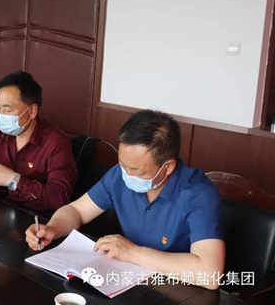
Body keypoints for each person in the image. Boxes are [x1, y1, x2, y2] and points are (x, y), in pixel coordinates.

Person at [25, 110, 225, 290]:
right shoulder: (119, 175)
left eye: (136, 170)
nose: (127, 174)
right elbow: (77, 211)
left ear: (168, 167)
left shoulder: (198, 194)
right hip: (126, 281)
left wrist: (133, 253)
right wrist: (52, 228)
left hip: (174, 289)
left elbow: (210, 274)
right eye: (122, 164)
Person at [0, 72, 77, 212]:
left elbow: (59, 198)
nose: (1, 115)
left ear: (32, 111)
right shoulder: (3, 135)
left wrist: (15, 180)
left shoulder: (56, 142)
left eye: (7, 109)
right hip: (1, 210)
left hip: (36, 218)